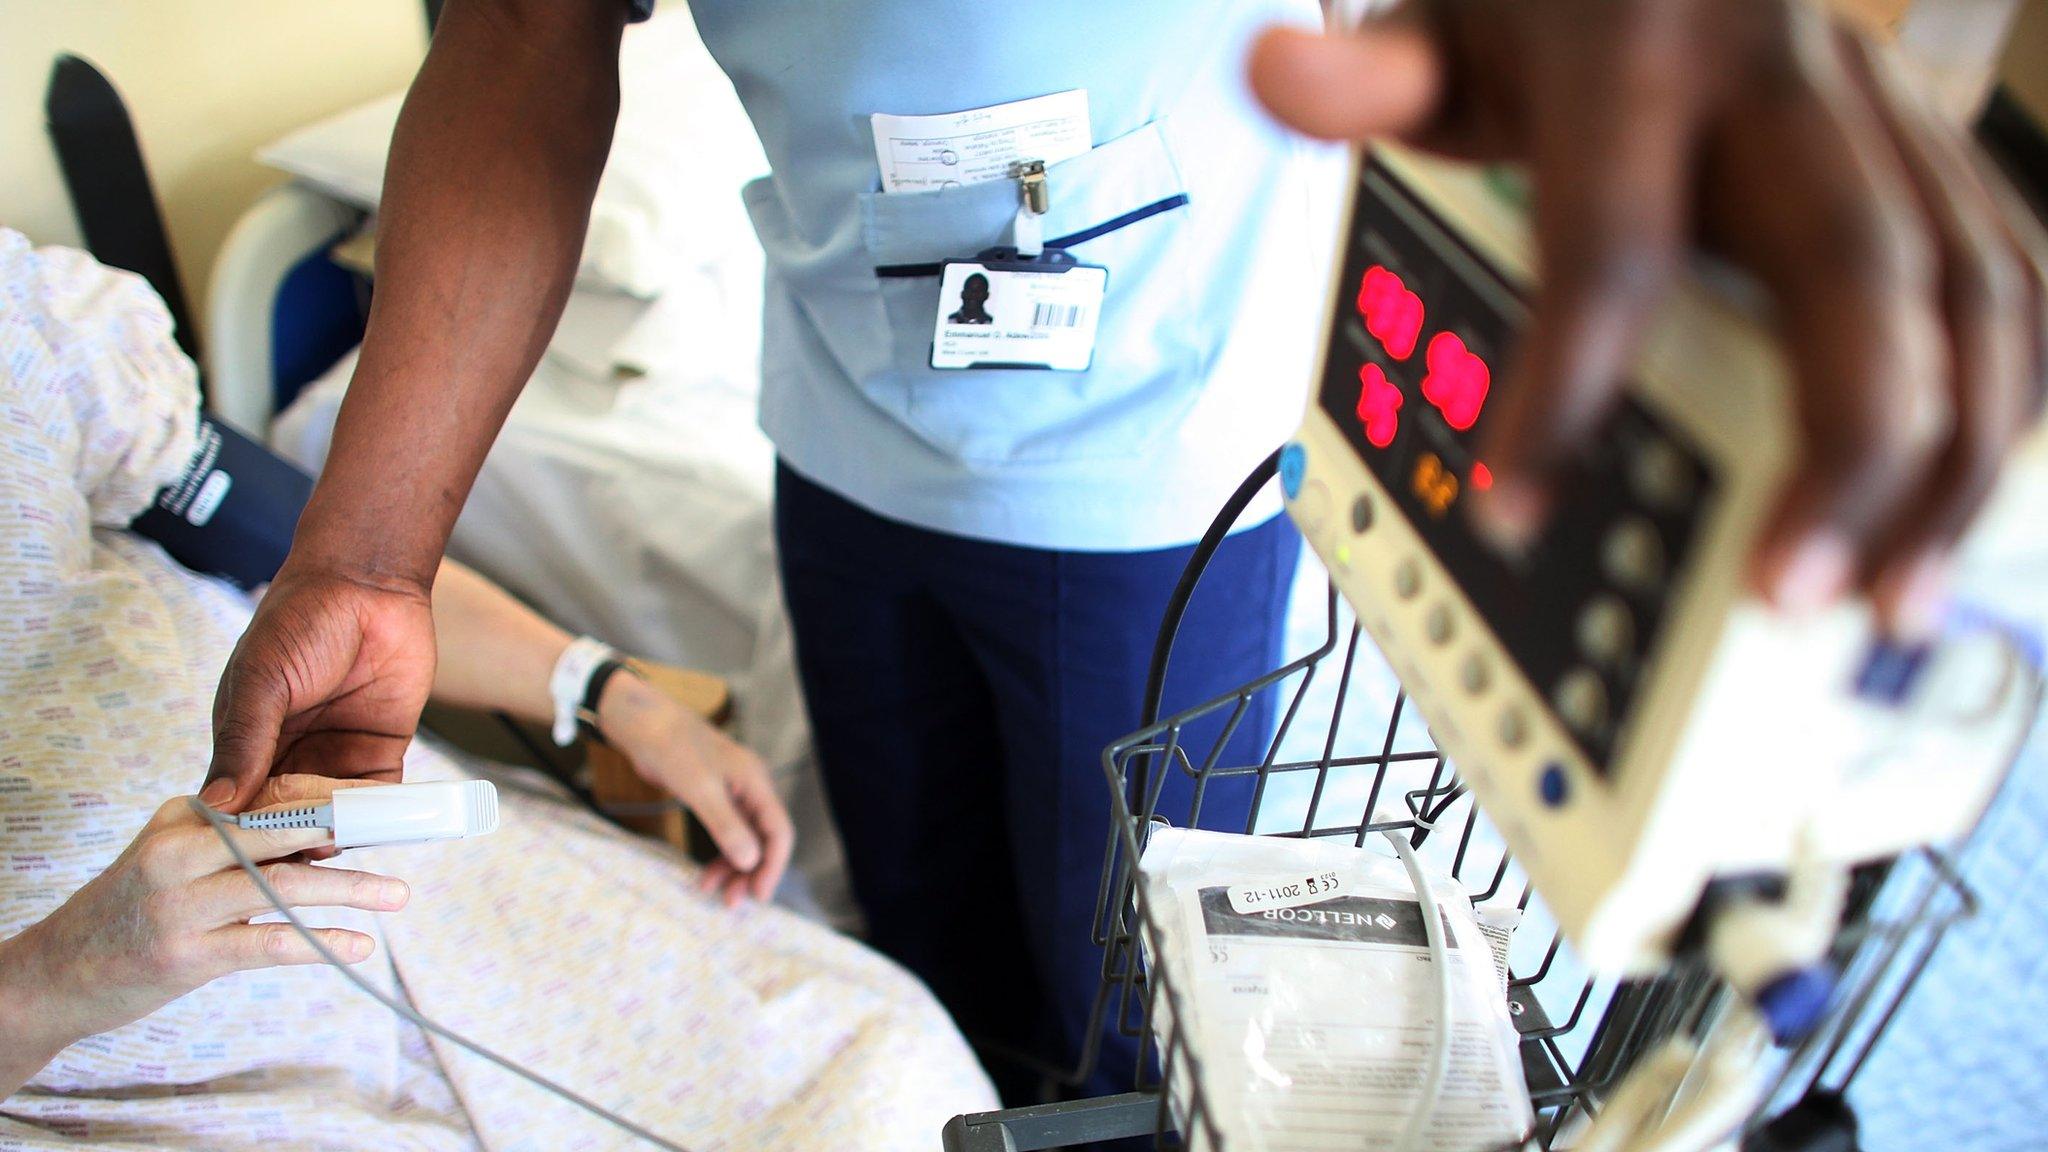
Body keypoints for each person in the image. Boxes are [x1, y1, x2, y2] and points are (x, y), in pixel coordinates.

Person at [202, 0, 2047, 1102]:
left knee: (1135, 990)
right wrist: (365, 557)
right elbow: (527, 36)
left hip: (1151, 470)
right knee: (920, 918)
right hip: (839, 433)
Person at [0, 232, 997, 1148]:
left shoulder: (24, 339)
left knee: (885, 1072)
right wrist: (60, 978)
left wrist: (607, 690)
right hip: (136, 1087)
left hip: (448, 917)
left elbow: (329, 574)